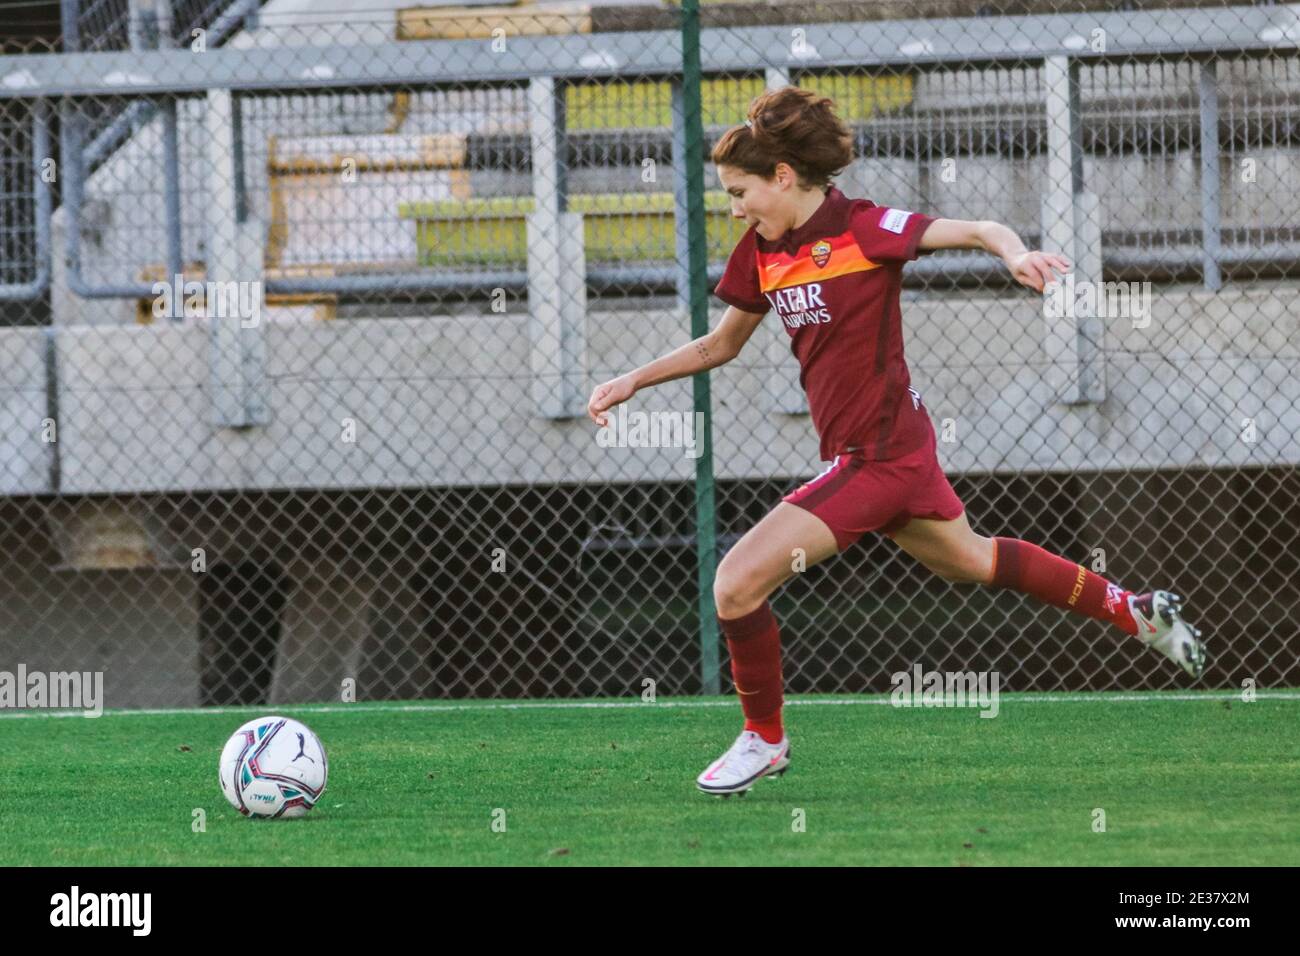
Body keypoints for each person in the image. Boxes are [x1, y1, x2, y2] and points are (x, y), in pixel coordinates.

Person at [586, 86, 1206, 798]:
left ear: (782, 177)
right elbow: (722, 344)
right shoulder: (761, 251)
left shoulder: (864, 227)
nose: (734, 208)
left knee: (734, 583)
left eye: (739, 191)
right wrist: (634, 379)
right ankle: (1136, 611)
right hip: (896, 455)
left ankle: (765, 739)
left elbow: (978, 228)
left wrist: (1015, 254)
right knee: (973, 561)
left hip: (877, 459)